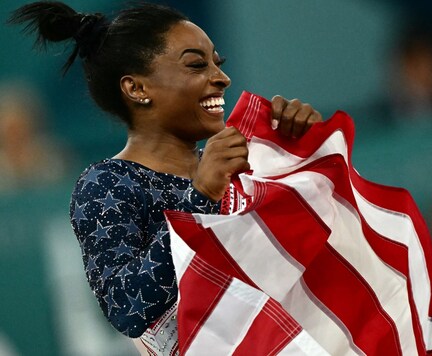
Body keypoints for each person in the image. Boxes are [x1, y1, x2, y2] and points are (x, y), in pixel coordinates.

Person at [9, 2, 322, 354]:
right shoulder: (107, 184)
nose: (221, 78)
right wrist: (200, 198)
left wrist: (303, 157)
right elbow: (127, 306)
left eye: (218, 64)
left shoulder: (243, 167)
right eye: (196, 65)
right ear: (137, 88)